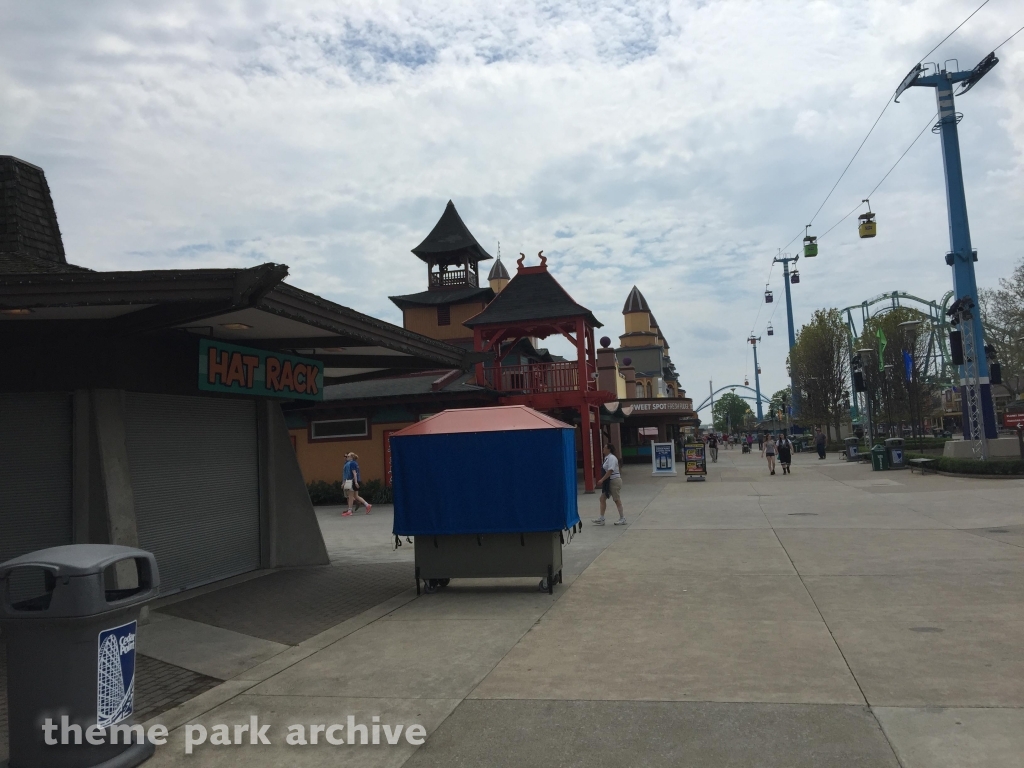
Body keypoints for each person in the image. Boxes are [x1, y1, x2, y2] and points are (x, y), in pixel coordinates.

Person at [592, 443, 626, 526]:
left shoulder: (612, 458)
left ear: (609, 449)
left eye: (605, 448)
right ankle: (601, 518)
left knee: (616, 499)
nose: (603, 449)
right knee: (602, 498)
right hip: (609, 482)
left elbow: (610, 470)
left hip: (614, 480)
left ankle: (622, 518)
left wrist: (602, 479)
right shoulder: (607, 458)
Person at [342, 452, 372, 516]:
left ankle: (350, 511)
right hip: (356, 480)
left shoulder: (352, 463)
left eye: (348, 456)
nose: (347, 457)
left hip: (352, 481)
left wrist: (355, 482)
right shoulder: (355, 463)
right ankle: (367, 505)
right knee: (356, 496)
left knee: (350, 496)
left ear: (352, 457)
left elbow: (354, 473)